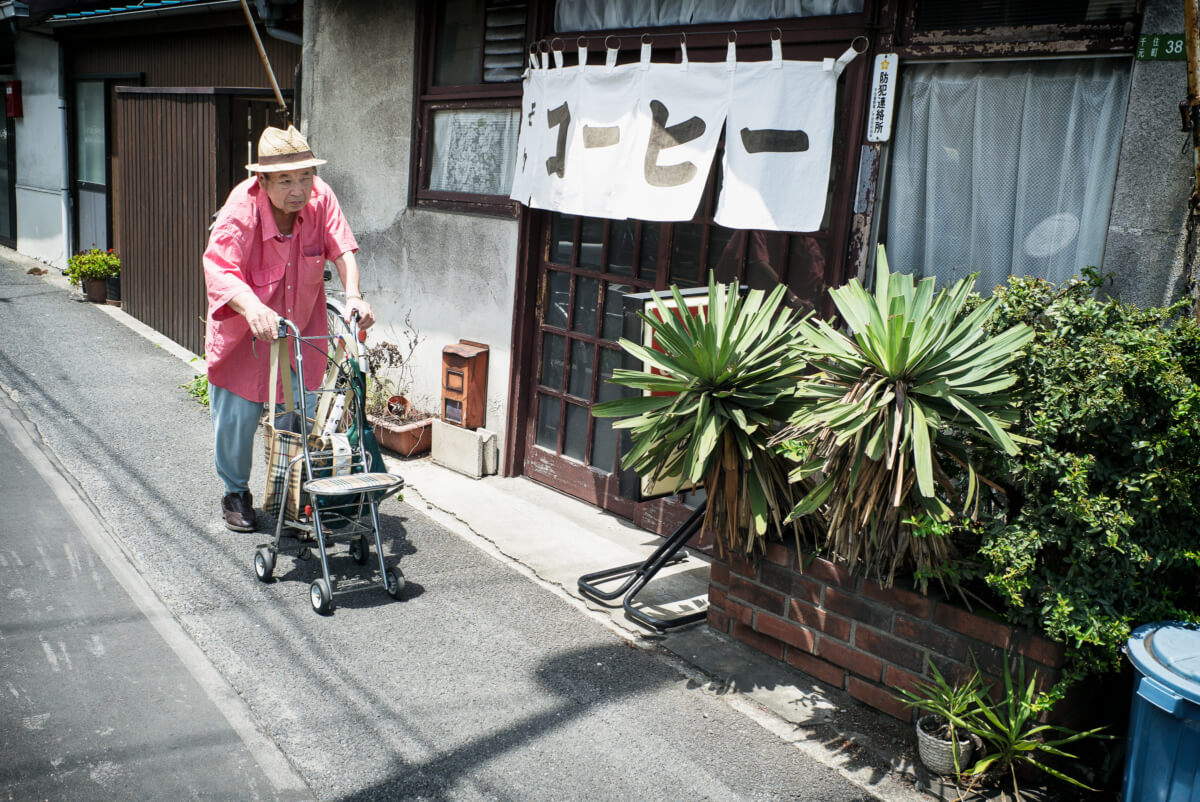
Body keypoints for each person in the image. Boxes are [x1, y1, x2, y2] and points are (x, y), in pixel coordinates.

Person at [203, 125, 374, 532]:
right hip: (247, 334)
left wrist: (353, 295)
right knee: (237, 421)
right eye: (285, 179)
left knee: (302, 417)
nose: (299, 188)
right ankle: (235, 491)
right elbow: (219, 268)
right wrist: (252, 308)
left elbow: (343, 249)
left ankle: (295, 491)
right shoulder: (239, 212)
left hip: (300, 329)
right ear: (261, 180)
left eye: (305, 175)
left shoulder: (321, 197)